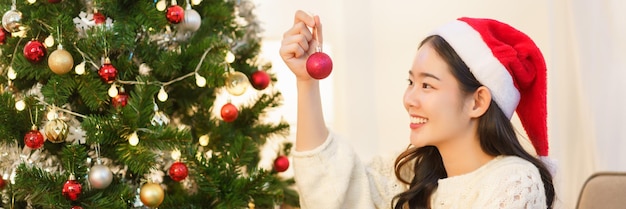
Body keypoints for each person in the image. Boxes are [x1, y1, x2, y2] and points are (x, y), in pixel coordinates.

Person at [279, 10, 555, 209]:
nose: (409, 98)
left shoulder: (514, 181)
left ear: (478, 101)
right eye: (411, 81)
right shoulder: (411, 173)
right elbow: (334, 194)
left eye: (427, 85)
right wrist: (306, 83)